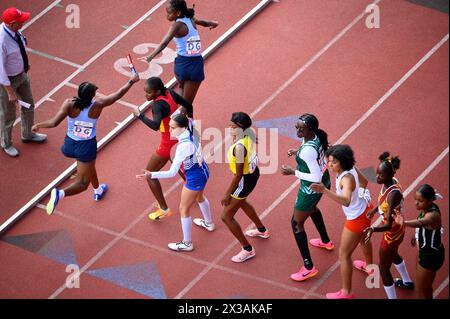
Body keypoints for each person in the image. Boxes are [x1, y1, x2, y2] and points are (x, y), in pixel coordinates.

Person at [32, 73, 139, 214]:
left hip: (69, 145)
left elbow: (54, 122)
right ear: (92, 95)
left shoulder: (69, 103)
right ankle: (61, 194)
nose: (97, 88)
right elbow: (118, 94)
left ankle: (98, 189)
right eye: (95, 89)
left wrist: (39, 125)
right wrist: (131, 81)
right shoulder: (98, 104)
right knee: (82, 184)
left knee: (89, 166)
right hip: (86, 147)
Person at [136, 112, 212, 251]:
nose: (169, 130)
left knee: (183, 209)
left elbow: (171, 172)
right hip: (204, 171)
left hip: (194, 177)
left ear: (182, 128)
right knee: (200, 197)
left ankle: (187, 243)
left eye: (172, 128)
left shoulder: (183, 147)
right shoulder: (193, 130)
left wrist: (151, 174)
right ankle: (208, 223)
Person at [311, 144, 373, 299]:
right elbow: (365, 181)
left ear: (342, 162)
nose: (330, 164)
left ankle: (346, 292)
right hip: (366, 210)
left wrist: (324, 190)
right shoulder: (351, 168)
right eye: (329, 161)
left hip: (356, 219)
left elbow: (345, 201)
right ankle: (369, 266)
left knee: (344, 255)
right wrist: (359, 197)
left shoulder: (346, 179)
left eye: (334, 162)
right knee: (364, 240)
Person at [133, 76, 194, 221]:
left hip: (167, 143)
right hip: (179, 139)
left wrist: (139, 116)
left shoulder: (157, 105)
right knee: (179, 165)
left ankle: (164, 209)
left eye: (148, 93)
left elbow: (155, 126)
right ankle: (195, 193)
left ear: (157, 91)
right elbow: (189, 106)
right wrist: (190, 124)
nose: (146, 95)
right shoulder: (170, 93)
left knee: (150, 174)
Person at [281, 113, 333, 282]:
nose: (296, 130)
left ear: (309, 129)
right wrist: (298, 151)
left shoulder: (308, 151)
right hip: (325, 180)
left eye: (300, 128)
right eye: (296, 126)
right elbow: (314, 154)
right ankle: (326, 241)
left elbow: (315, 177)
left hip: (312, 188)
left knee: (296, 223)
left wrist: (293, 172)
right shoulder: (316, 136)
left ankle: (308, 267)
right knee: (312, 210)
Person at [141, 0, 218, 104]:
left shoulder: (177, 25)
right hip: (194, 66)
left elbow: (165, 43)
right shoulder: (190, 20)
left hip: (180, 65)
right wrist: (213, 23)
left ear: (178, 13)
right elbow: (203, 23)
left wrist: (151, 56)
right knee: (187, 104)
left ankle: (177, 117)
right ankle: (183, 119)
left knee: (181, 94)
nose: (166, 15)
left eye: (169, 13)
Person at [364, 152, 414, 299]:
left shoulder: (393, 195)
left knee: (383, 268)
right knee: (392, 255)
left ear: (390, 175)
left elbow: (387, 225)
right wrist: (375, 210)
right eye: (377, 173)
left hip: (392, 232)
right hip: (396, 228)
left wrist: (373, 229)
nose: (377, 177)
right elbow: (383, 202)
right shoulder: (390, 182)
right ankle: (407, 281)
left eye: (381, 175)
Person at [221, 112, 269, 263]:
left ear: (242, 128)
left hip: (244, 180)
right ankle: (262, 230)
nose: (230, 128)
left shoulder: (240, 147)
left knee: (226, 217)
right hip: (253, 174)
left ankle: (247, 249)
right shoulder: (248, 134)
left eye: (233, 127)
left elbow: (239, 175)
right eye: (229, 125)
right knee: (242, 202)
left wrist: (227, 193)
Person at [1, 7, 47, 157]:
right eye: (20, 22)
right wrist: (9, 91)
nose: (23, 23)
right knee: (8, 115)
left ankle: (27, 134)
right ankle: (6, 143)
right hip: (8, 81)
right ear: (12, 24)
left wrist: (23, 64)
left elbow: (19, 47)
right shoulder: (1, 40)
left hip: (21, 75)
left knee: (29, 104)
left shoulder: (14, 31)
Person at [394, 184, 445, 299]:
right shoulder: (426, 208)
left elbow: (422, 222)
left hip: (430, 256)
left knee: (422, 291)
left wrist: (404, 223)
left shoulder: (433, 215)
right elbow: (422, 224)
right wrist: (416, 235)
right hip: (424, 251)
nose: (416, 203)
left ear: (430, 200)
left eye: (420, 201)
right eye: (415, 200)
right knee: (425, 287)